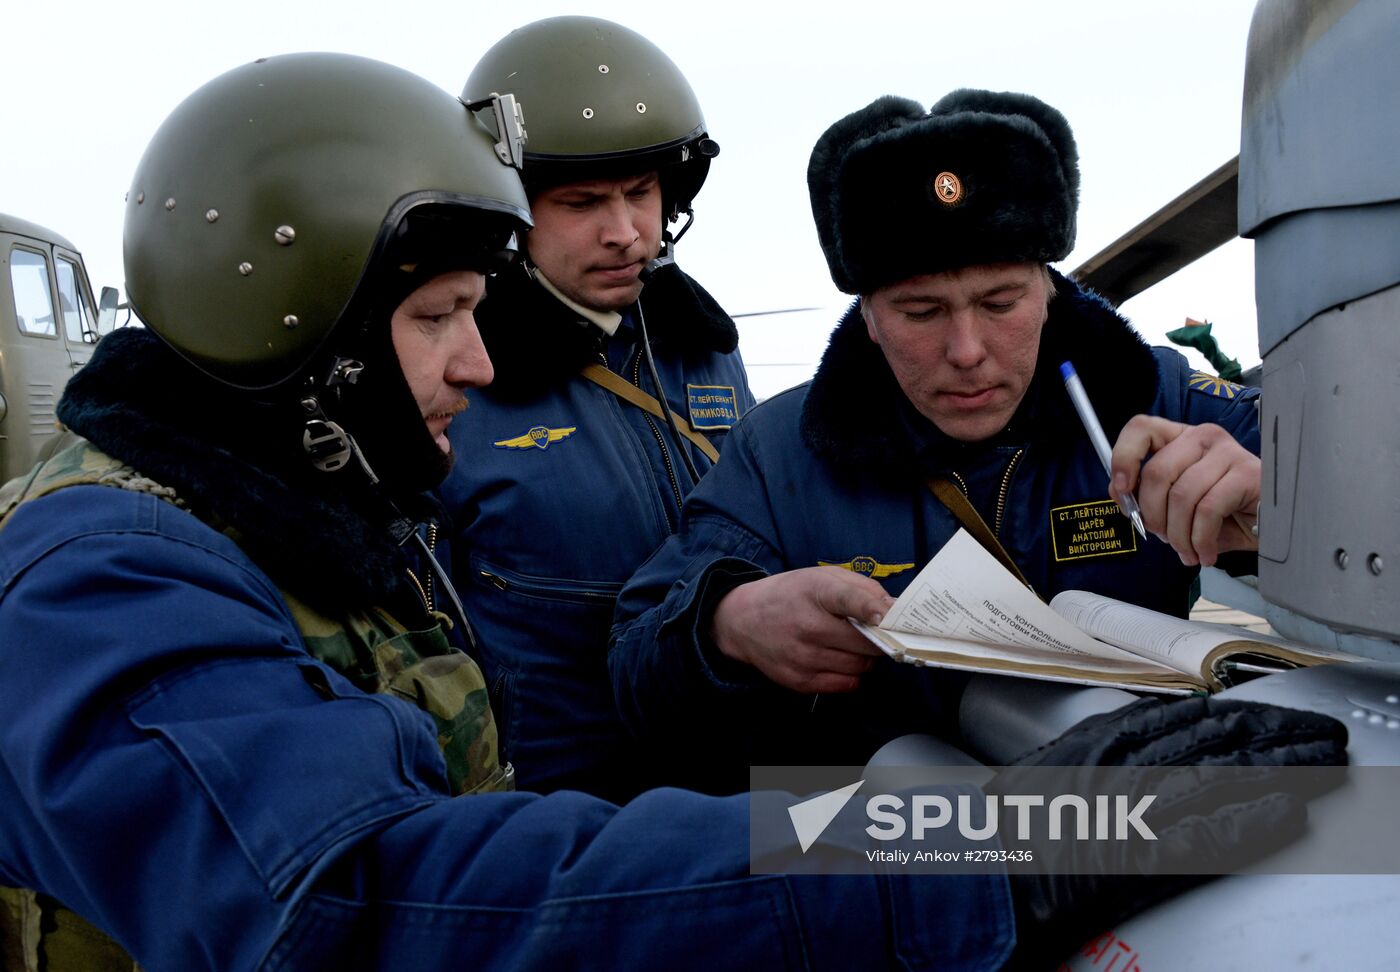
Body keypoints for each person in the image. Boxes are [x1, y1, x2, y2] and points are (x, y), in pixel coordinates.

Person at [0, 57, 1343, 972]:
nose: (478, 363)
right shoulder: (103, 579)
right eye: (435, 320)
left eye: (1005, 301)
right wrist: (989, 829)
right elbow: (365, 899)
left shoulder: (316, 515)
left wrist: (1300, 501)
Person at [610, 90, 1268, 778]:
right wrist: (724, 628)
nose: (966, 350)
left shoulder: (1166, 399)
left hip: (1150, 816)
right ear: (867, 315)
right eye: (921, 312)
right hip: (886, 845)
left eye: (1000, 302)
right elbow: (632, 669)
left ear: (1047, 287)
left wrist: (1277, 510)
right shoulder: (775, 457)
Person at [437, 16, 755, 800]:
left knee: (982, 843)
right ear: (509, 212)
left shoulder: (701, 344)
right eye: (581, 203)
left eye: (641, 194)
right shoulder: (455, 379)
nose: (624, 233)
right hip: (568, 819)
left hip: (741, 778)